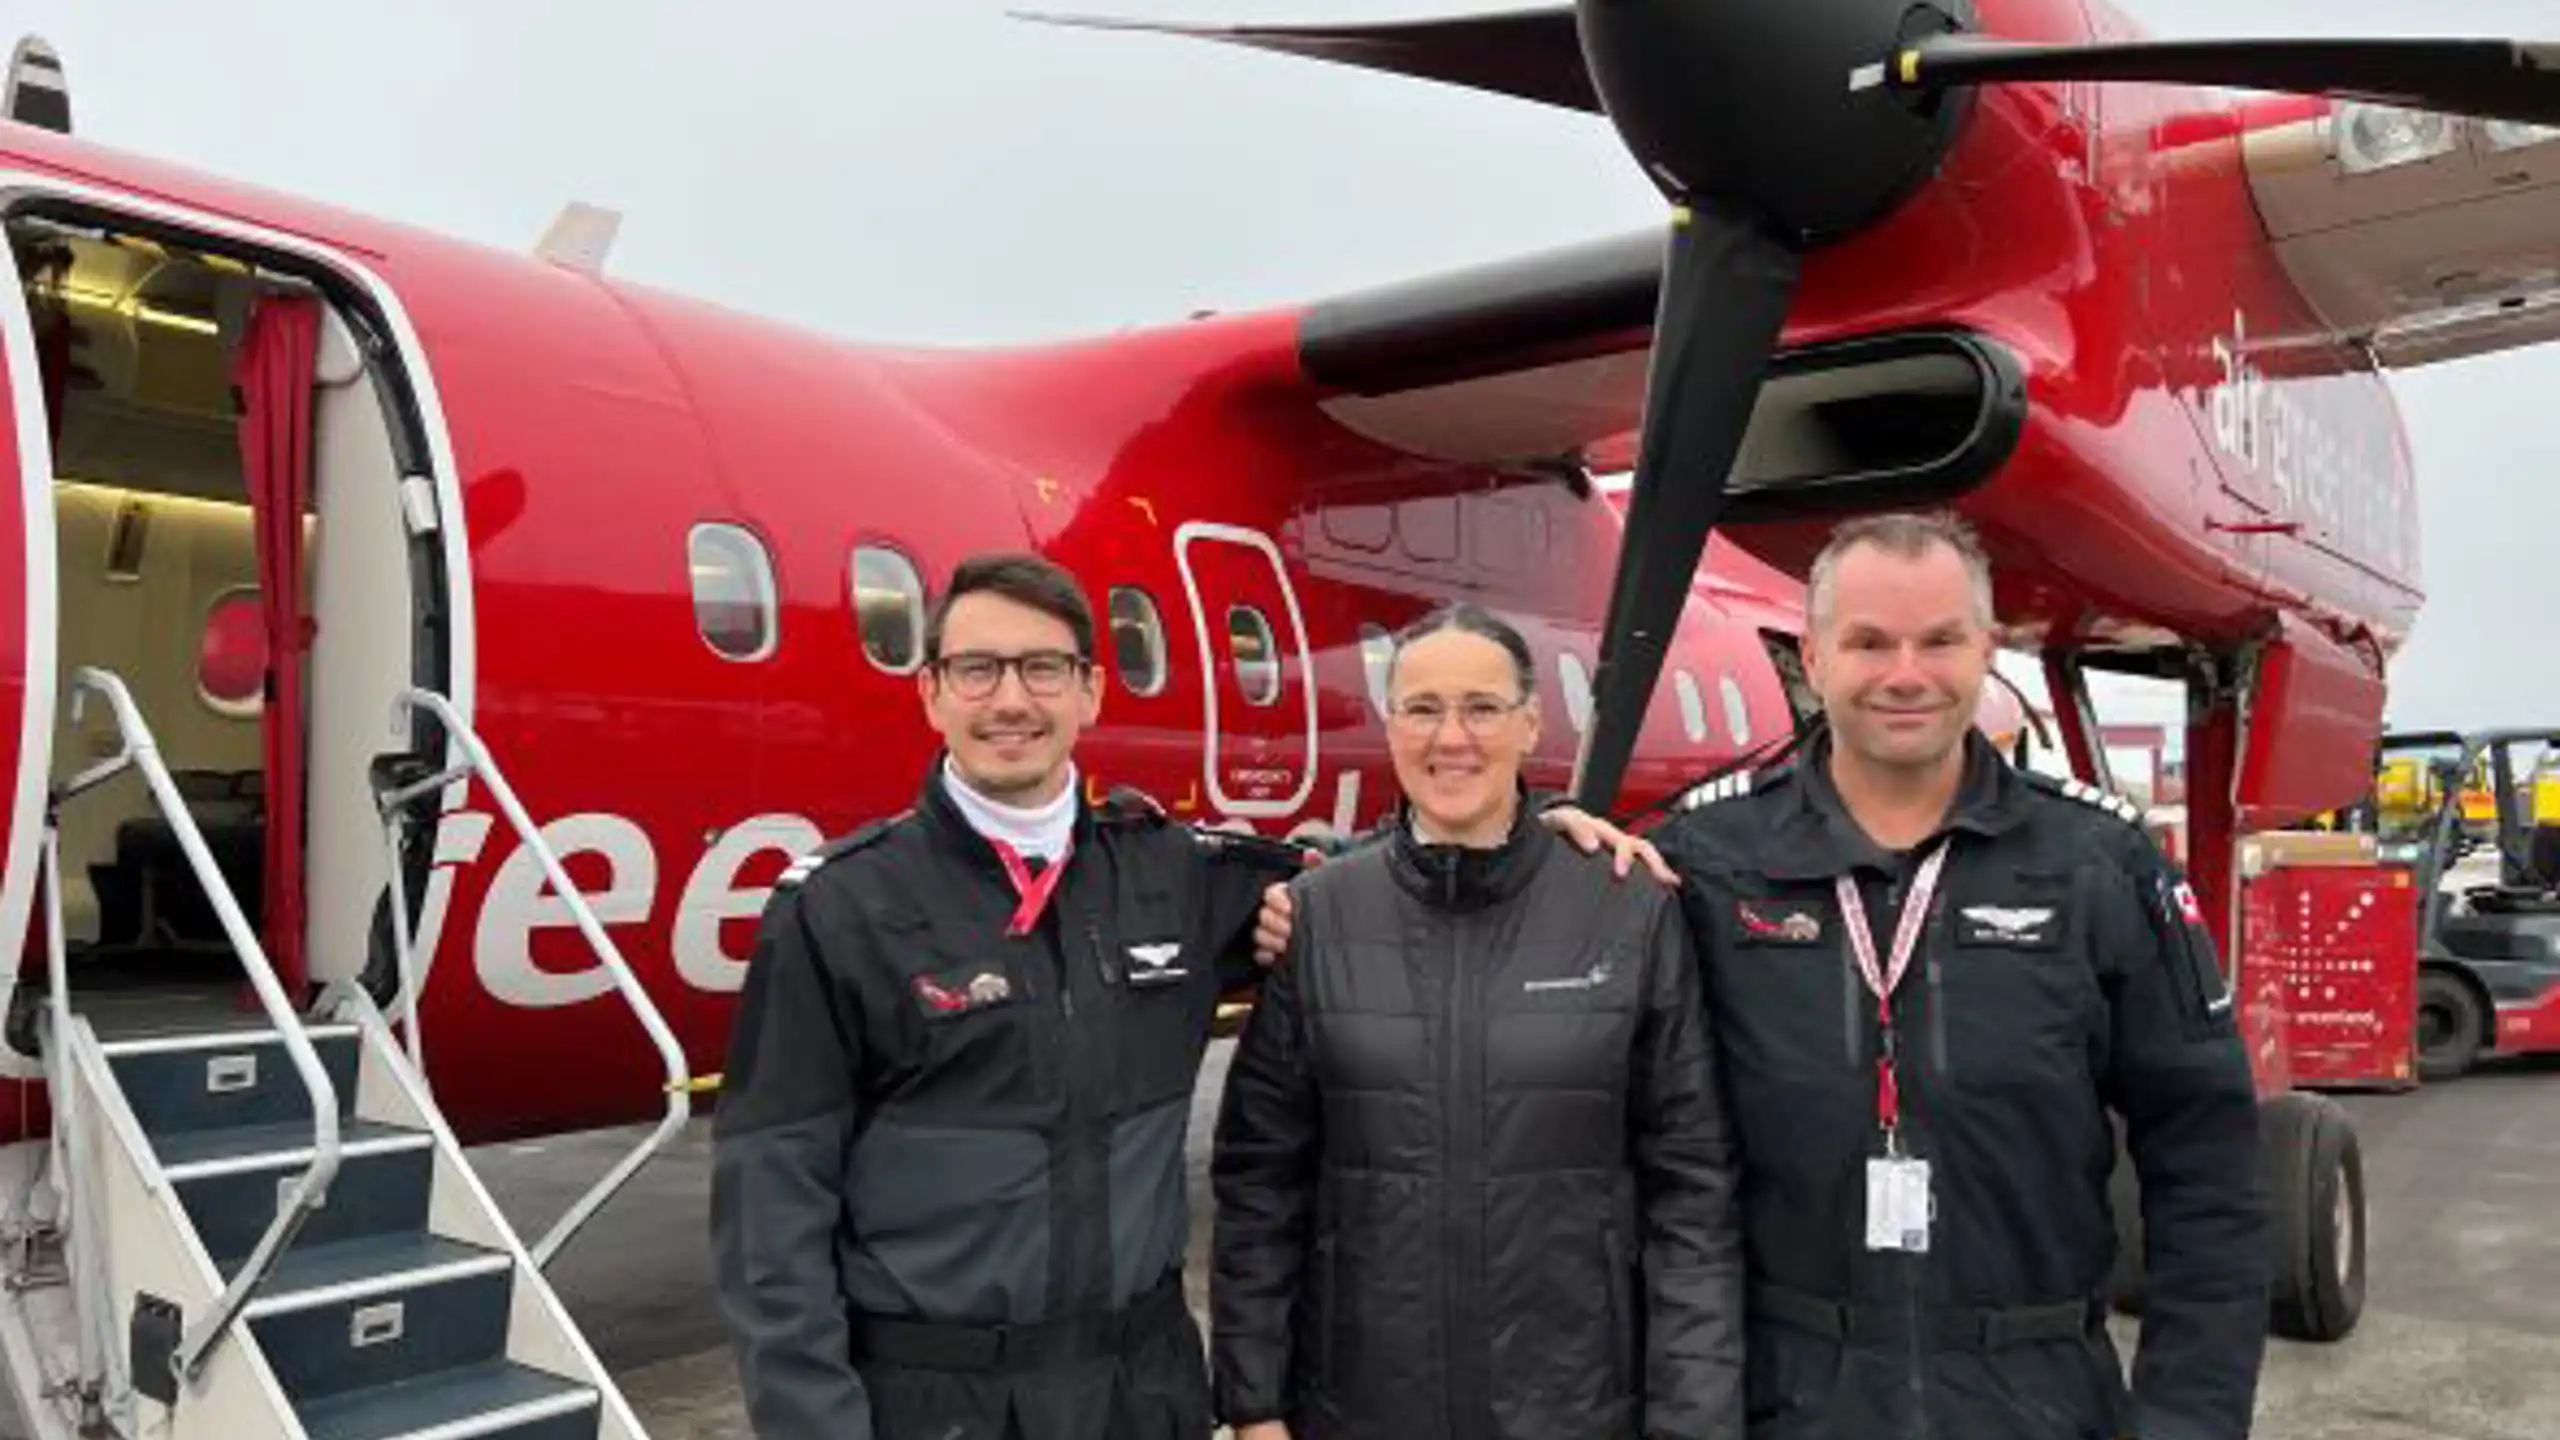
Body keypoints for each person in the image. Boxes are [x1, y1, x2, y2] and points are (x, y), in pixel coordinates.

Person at [1257, 510, 2271, 1440]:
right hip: (1786, 1394)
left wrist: (2187, 1418)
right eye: (1869, 642)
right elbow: (1554, 957)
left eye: (1939, 641)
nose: (1903, 673)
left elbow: (2208, 1167)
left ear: (1987, 651)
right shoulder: (1704, 857)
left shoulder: (2101, 864)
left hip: (2034, 1391)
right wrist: (1530, 850)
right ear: (1814, 655)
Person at [710, 552, 1316, 1440]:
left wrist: (1543, 838)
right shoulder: (841, 908)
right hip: (939, 1405)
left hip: (1140, 1396)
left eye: (1043, 669)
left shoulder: (1175, 874)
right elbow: (771, 1207)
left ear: (1091, 692)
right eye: (977, 669)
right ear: (931, 693)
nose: (1010, 702)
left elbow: (1376, 881)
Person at [1210, 603, 1745, 1440]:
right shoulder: (1318, 918)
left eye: (1483, 708)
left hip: (1575, 1410)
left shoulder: (1628, 910)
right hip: (1360, 1408)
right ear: (1391, 727)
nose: (1449, 738)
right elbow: (1261, 1183)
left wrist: (1693, 1422)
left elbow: (1692, 1192)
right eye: (1422, 709)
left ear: (1531, 724)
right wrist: (1254, 1407)